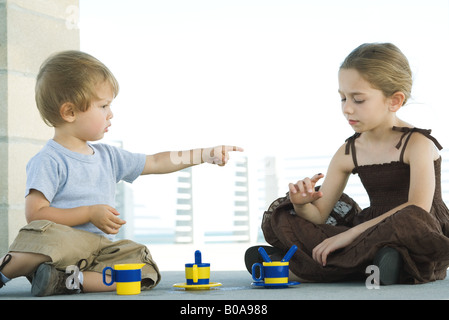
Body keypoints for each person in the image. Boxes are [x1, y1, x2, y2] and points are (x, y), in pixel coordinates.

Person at [0, 50, 243, 296]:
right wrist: (88, 212)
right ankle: (4, 272)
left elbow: (157, 162)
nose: (110, 113)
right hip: (61, 247)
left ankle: (66, 281)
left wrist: (203, 154)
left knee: (142, 267)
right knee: (46, 239)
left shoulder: (109, 156)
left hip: (99, 250)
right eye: (103, 105)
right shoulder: (49, 160)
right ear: (70, 112)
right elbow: (36, 214)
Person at [246, 43, 449, 285]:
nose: (347, 108)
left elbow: (418, 208)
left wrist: (349, 236)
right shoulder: (348, 151)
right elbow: (319, 216)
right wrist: (302, 205)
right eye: (342, 98)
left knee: (410, 221)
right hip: (369, 228)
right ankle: (376, 266)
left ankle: (304, 267)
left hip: (415, 229)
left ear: (394, 101)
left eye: (358, 99)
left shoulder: (416, 143)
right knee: (286, 215)